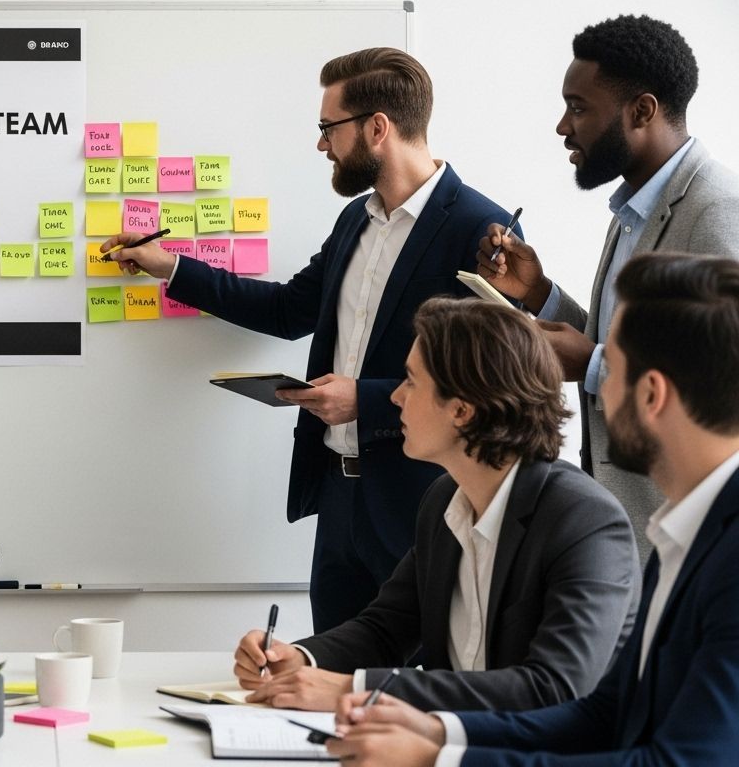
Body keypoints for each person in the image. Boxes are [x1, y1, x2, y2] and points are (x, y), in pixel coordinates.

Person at [103, 48, 517, 631]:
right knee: (329, 667)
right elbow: (287, 309)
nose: (322, 144)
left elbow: (491, 384)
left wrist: (363, 399)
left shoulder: (482, 230)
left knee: (416, 676)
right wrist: (169, 266)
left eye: (329, 127)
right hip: (338, 498)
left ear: (377, 128)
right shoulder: (356, 221)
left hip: (421, 501)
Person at [326, 253, 739, 766]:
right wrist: (438, 731)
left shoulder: (716, 550)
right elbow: (605, 716)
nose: (597, 388)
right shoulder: (686, 533)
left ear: (651, 394)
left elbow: (680, 761)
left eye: (612, 368)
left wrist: (439, 759)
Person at [232, 297, 636, 712]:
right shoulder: (444, 500)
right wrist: (300, 658)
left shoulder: (585, 521)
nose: (395, 397)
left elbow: (554, 688)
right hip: (452, 742)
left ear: (462, 410)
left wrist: (354, 690)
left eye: (410, 381)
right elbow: (386, 630)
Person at [477, 15, 739, 561]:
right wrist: (539, 293)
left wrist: (593, 364)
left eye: (578, 108)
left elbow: (725, 378)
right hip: (629, 524)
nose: (562, 126)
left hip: (684, 535)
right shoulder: (633, 209)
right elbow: (630, 342)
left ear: (641, 111)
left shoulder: (715, 210)